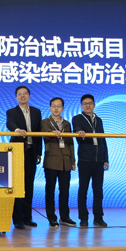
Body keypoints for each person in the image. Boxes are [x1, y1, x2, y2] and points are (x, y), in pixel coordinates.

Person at [6, 86, 42, 230]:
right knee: (17, 186)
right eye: (19, 94)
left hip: (32, 151)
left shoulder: (36, 112)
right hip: (18, 151)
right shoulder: (11, 112)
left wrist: (39, 152)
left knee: (29, 185)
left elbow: (39, 132)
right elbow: (10, 124)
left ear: (29, 96)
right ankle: (17, 219)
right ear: (16, 97)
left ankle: (27, 217)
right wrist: (17, 130)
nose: (22, 96)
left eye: (25, 93)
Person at [72, 94, 109, 228]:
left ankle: (98, 218)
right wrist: (79, 131)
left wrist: (106, 159)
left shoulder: (99, 120)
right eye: (85, 103)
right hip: (85, 160)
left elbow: (103, 139)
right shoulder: (77, 118)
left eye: (90, 103)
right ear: (81, 106)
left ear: (94, 105)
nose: (88, 105)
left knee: (98, 191)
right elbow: (76, 128)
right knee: (83, 190)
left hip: (99, 160)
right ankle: (83, 218)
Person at [41, 97, 76, 229]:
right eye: (54, 106)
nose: (56, 108)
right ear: (50, 108)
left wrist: (72, 161)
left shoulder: (67, 124)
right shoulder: (45, 122)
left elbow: (71, 143)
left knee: (65, 191)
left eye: (59, 106)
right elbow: (45, 134)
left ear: (63, 108)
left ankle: (64, 217)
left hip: (66, 162)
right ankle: (51, 217)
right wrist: (52, 132)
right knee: (50, 191)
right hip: (51, 160)